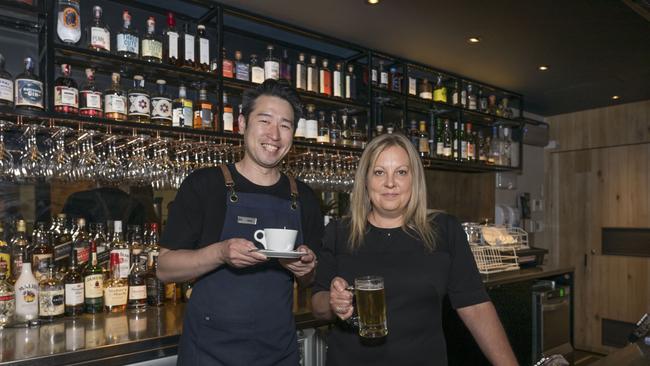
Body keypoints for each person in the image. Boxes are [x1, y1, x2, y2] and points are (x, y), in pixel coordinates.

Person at [311, 133, 518, 366]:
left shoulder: (444, 230)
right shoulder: (340, 232)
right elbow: (318, 305)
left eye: (401, 172)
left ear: (414, 180)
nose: (390, 182)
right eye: (379, 172)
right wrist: (333, 301)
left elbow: (475, 306)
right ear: (366, 181)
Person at [157, 79, 322, 365]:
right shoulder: (205, 185)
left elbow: (311, 280)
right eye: (265, 120)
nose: (274, 134)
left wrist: (305, 268)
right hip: (210, 353)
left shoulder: (303, 196)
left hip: (278, 351)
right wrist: (220, 253)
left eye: (285, 125)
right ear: (242, 123)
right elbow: (164, 268)